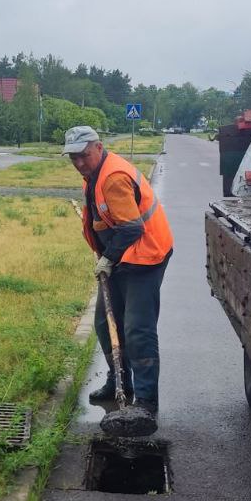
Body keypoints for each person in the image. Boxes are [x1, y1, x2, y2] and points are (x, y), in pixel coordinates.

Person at [63, 125, 174, 425]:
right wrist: (107, 256)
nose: (79, 163)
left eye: (84, 156)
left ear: (98, 147)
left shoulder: (112, 178)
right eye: (72, 158)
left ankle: (146, 402)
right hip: (121, 256)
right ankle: (119, 381)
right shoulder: (93, 175)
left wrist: (108, 258)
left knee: (137, 329)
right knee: (103, 323)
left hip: (145, 256)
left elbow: (132, 228)